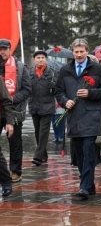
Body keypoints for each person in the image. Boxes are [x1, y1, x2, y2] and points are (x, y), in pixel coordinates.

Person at [56, 38, 101, 201]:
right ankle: (89, 184)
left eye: (82, 51)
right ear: (72, 52)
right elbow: (58, 91)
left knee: (88, 152)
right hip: (73, 116)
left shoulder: (98, 69)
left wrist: (90, 93)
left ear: (87, 51)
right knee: (78, 154)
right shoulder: (65, 69)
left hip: (91, 115)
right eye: (76, 52)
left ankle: (84, 187)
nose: (79, 55)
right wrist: (65, 101)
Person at [0, 39, 32, 183]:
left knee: (15, 142)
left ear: (10, 49)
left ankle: (15, 171)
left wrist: (13, 99)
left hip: (14, 110)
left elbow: (27, 89)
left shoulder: (19, 67)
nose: (2, 52)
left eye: (5, 49)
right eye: (0, 49)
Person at [28, 50, 57, 166]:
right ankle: (43, 154)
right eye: (38, 58)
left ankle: (38, 157)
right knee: (37, 132)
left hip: (47, 105)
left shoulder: (52, 73)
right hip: (34, 105)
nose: (40, 59)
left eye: (42, 58)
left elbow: (58, 89)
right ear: (34, 59)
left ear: (46, 59)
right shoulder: (29, 72)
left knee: (43, 132)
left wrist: (54, 87)